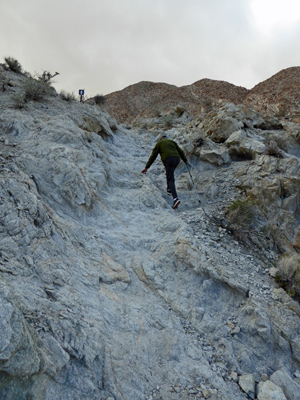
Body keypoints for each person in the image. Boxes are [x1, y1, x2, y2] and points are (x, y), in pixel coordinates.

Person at [141, 135, 188, 209]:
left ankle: (175, 199)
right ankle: (169, 189)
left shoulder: (159, 143)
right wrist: (185, 159)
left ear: (160, 139)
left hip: (168, 159)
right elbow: (180, 151)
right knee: (170, 174)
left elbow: (153, 156)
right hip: (177, 159)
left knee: (170, 178)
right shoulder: (172, 142)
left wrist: (147, 167)